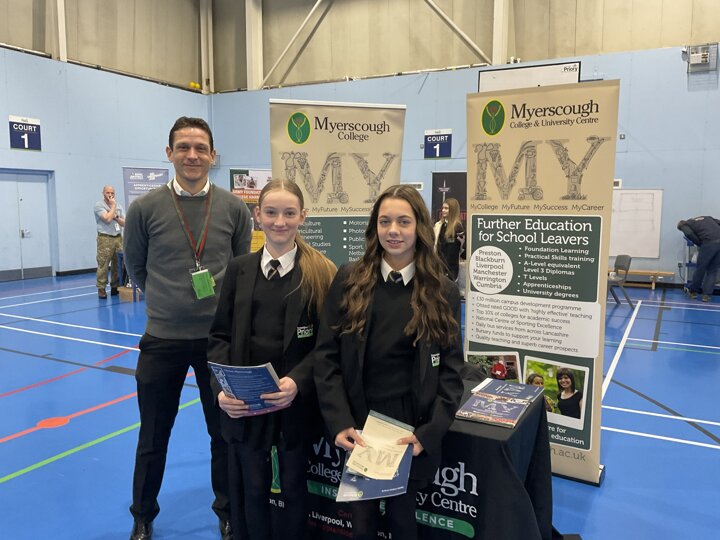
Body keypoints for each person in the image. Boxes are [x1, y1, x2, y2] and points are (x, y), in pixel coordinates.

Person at [123, 116, 253, 540]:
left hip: (218, 342)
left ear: (213, 155)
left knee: (223, 433)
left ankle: (227, 510)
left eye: (200, 148)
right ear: (169, 153)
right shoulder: (144, 209)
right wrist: (167, 302)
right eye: (183, 147)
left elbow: (239, 267)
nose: (192, 155)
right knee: (153, 435)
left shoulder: (233, 209)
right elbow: (136, 267)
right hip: (162, 340)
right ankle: (143, 515)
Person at [313, 184, 464, 540]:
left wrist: (427, 434)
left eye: (403, 222)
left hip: (409, 427)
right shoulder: (349, 279)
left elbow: (452, 372)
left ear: (420, 227)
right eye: (385, 222)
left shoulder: (442, 290)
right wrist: (340, 421)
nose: (393, 230)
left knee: (402, 518)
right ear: (375, 227)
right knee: (362, 521)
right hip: (360, 424)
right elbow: (326, 355)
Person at [207, 179, 336, 540]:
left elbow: (327, 344)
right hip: (246, 405)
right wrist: (221, 391)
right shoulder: (238, 270)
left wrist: (298, 382)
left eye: (289, 213)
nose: (280, 221)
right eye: (272, 212)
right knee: (252, 487)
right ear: (257, 215)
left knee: (294, 487)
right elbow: (218, 336)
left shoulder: (319, 273)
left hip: (293, 404)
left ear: (303, 217)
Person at [677, 216, 720, 302]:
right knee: (712, 270)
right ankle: (706, 295)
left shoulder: (684, 225)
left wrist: (699, 243)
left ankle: (693, 291)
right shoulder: (706, 218)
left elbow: (689, 233)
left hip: (708, 242)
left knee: (701, 268)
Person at [94, 185, 125, 298]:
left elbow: (124, 223)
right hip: (105, 238)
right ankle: (101, 288)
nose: (110, 195)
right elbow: (107, 219)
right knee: (103, 264)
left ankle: (115, 286)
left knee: (118, 264)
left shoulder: (119, 206)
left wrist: (115, 215)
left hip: (118, 238)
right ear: (103, 193)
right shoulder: (99, 205)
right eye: (108, 193)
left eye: (112, 193)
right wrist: (113, 207)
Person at [433, 198, 465, 281]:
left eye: (446, 208)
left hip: (450, 269)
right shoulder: (438, 225)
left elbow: (461, 251)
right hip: (438, 266)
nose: (443, 210)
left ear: (453, 210)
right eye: (443, 208)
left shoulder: (458, 228)